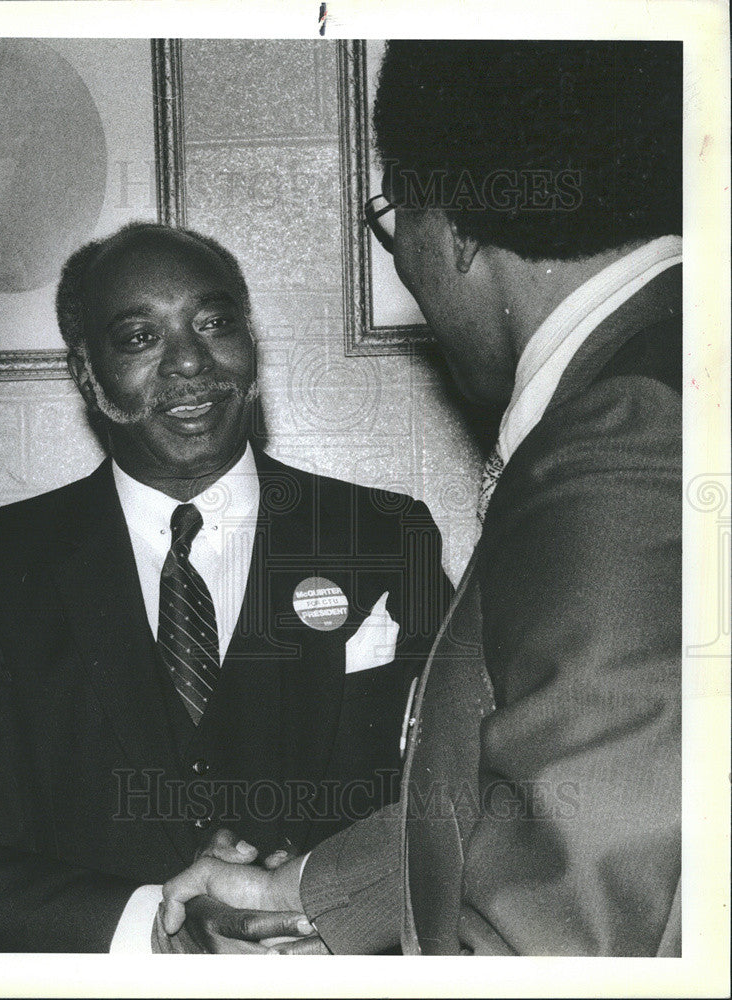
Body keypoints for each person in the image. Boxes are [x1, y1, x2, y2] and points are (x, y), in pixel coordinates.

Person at [157, 40, 683, 956]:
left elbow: (564, 920)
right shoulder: (661, 365)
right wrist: (306, 889)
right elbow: (560, 789)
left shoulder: (619, 437)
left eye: (397, 216)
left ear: (457, 226)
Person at [0, 221, 453, 952]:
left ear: (253, 348)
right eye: (138, 337)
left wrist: (326, 896)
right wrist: (153, 926)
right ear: (86, 374)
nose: (191, 361)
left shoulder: (383, 536)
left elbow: (459, 789)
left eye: (215, 324)